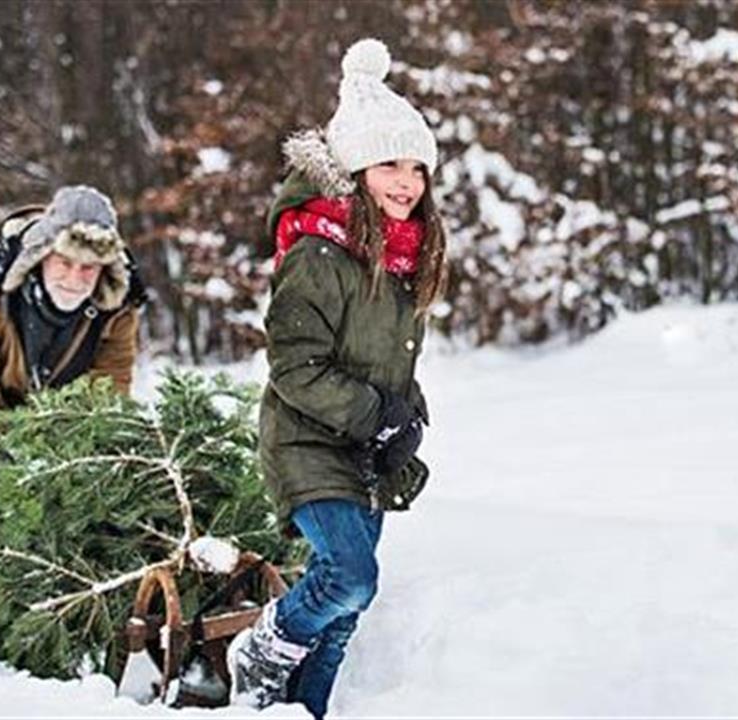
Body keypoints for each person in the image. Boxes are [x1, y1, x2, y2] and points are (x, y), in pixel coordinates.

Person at [227, 38, 448, 717]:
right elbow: (295, 364)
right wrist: (373, 412)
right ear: (355, 168)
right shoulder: (320, 252)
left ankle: (301, 710)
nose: (406, 181)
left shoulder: (404, 257)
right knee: (349, 578)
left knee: (345, 619)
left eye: (417, 166)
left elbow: (389, 359)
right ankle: (262, 650)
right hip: (306, 440)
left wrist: (406, 418)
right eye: (389, 164)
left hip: (365, 450)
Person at [0, 185, 144, 481]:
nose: (75, 279)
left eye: (89, 267)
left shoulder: (119, 302)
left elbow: (110, 384)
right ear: (42, 254)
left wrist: (84, 460)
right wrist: (2, 466)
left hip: (64, 419)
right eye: (65, 262)